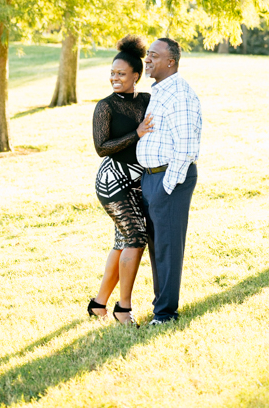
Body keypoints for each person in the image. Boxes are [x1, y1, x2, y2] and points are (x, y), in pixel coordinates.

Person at [88, 35, 154, 326]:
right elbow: (102, 147)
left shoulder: (147, 101)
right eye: (112, 73)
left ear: (135, 76)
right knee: (136, 239)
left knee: (123, 242)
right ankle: (123, 309)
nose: (115, 78)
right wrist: (135, 134)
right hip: (112, 182)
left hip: (137, 182)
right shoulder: (105, 106)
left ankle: (98, 305)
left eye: (121, 74)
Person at [137, 37, 202, 325]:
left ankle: (165, 315)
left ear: (170, 61)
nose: (147, 59)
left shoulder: (180, 94)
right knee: (157, 248)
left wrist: (167, 186)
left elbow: (187, 146)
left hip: (169, 180)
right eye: (147, 54)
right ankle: (160, 307)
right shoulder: (160, 91)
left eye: (153, 55)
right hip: (153, 179)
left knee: (168, 248)